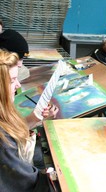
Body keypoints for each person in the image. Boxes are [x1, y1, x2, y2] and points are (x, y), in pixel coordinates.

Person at [0, 50, 59, 191]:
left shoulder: (5, 111)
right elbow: (27, 183)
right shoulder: (3, 140)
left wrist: (36, 118)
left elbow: (13, 130)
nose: (18, 85)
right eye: (12, 80)